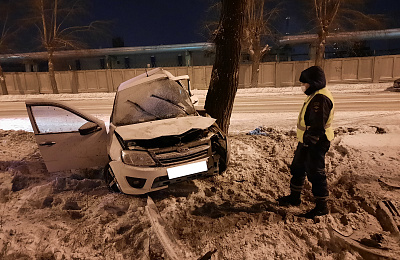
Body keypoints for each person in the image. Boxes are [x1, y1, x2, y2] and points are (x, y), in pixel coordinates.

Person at [278, 66, 334, 219]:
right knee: (298, 167)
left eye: (305, 83)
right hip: (306, 141)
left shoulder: (320, 99)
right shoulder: (315, 95)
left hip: (316, 142)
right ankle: (294, 197)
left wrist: (311, 141)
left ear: (314, 82)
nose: (303, 86)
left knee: (316, 172)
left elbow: (317, 125)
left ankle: (322, 206)